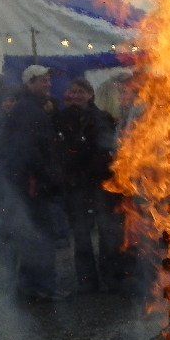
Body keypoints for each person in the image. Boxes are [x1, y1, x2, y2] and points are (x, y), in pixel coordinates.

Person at [2, 64, 65, 300]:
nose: (48, 84)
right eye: (42, 80)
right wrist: (44, 176)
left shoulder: (31, 108)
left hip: (31, 183)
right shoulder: (28, 111)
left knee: (32, 233)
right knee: (41, 235)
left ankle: (30, 285)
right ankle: (43, 286)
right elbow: (28, 150)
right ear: (29, 83)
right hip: (33, 185)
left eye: (48, 80)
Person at [55, 77, 120, 292]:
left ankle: (109, 278)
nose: (76, 95)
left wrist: (89, 169)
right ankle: (86, 281)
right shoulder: (62, 118)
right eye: (73, 91)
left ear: (90, 94)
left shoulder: (101, 118)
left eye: (80, 92)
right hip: (75, 186)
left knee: (105, 232)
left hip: (98, 184)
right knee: (81, 234)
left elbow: (104, 151)